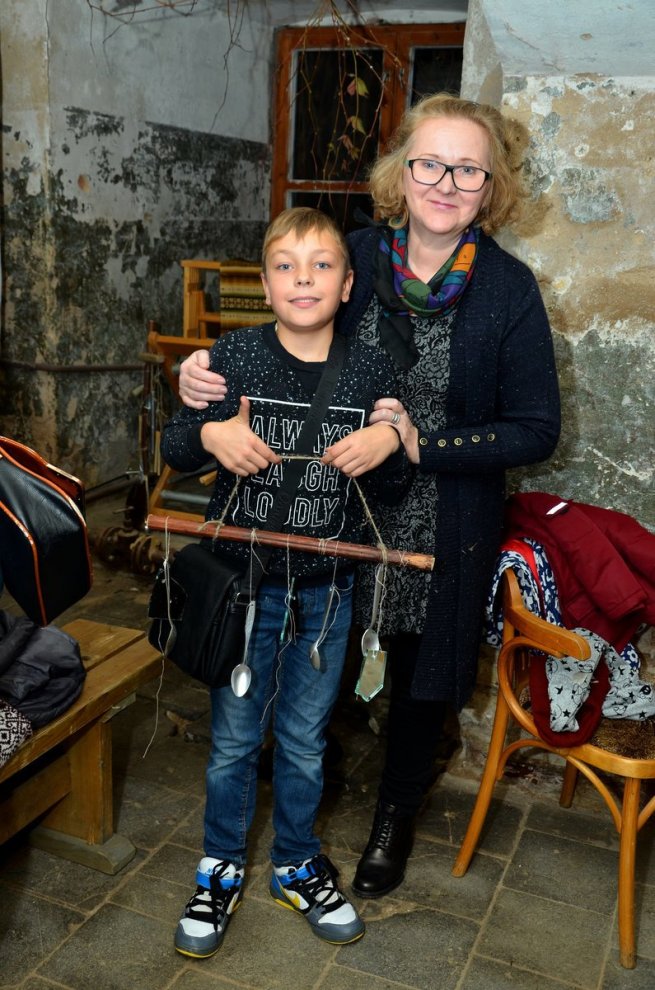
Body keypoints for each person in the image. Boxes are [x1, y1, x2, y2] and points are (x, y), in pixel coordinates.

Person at [176, 94, 561, 900]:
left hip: (440, 518)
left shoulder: (507, 289)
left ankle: (392, 815)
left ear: (490, 186)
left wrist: (422, 443)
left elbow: (535, 428)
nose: (445, 183)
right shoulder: (348, 256)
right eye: (430, 163)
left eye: (467, 169)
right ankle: (286, 790)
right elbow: (276, 344)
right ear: (400, 171)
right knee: (310, 652)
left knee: (419, 676)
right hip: (327, 501)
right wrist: (201, 379)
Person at [161, 207, 410, 958]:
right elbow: (176, 444)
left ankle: (297, 862)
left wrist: (388, 442)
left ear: (347, 285)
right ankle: (220, 865)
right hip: (244, 590)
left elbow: (391, 487)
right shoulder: (234, 355)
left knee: (304, 739)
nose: (303, 279)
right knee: (235, 741)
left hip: (328, 594)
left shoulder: (371, 368)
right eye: (285, 266)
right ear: (265, 285)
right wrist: (211, 431)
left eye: (321, 265)